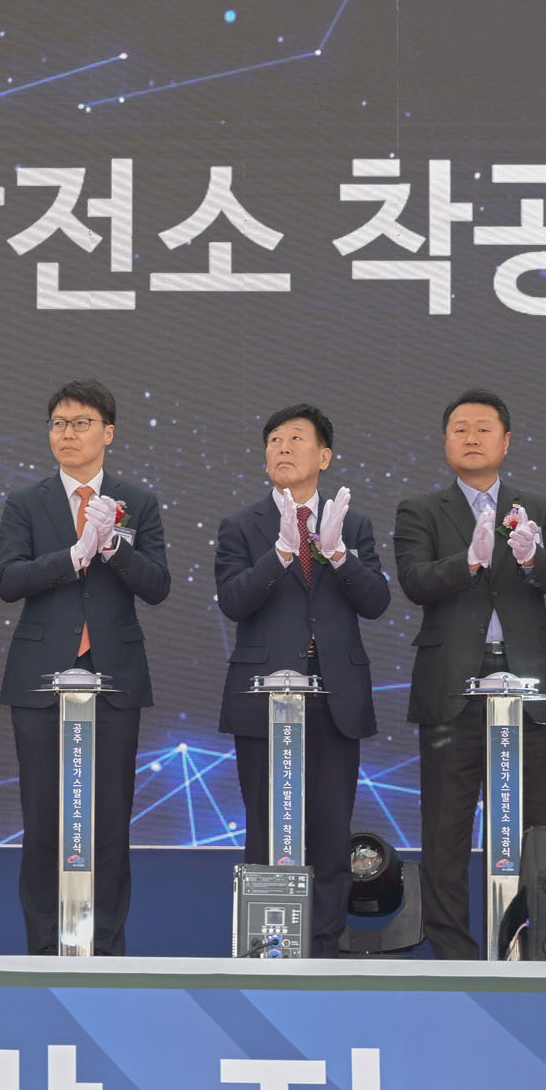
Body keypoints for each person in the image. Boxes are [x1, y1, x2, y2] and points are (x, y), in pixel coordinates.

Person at [392, 390, 546, 959]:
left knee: (536, 828)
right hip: (452, 686)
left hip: (526, 683)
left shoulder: (539, 507)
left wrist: (530, 557)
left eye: (482, 428)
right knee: (446, 829)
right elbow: (415, 582)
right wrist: (469, 560)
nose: (471, 438)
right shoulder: (420, 510)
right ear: (445, 441)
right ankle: (454, 956)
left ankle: (533, 945)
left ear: (506, 440)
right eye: (459, 429)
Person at [0, 378, 170, 956]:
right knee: (43, 820)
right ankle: (45, 952)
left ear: (108, 432)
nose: (67, 434)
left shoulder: (136, 502)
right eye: (58, 424)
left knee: (110, 822)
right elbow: (8, 580)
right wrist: (73, 556)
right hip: (40, 680)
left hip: (114, 677)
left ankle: (107, 951)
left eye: (80, 423)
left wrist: (112, 547)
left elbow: (158, 585)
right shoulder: (26, 502)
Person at [215, 404, 390, 958]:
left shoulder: (352, 525)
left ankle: (324, 948)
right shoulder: (241, 525)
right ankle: (268, 948)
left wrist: (337, 553)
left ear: (324, 456)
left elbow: (376, 601)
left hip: (336, 696)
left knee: (332, 832)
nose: (283, 448)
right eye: (274, 440)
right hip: (264, 700)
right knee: (267, 829)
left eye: (295, 438)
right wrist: (283, 552)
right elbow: (233, 601)